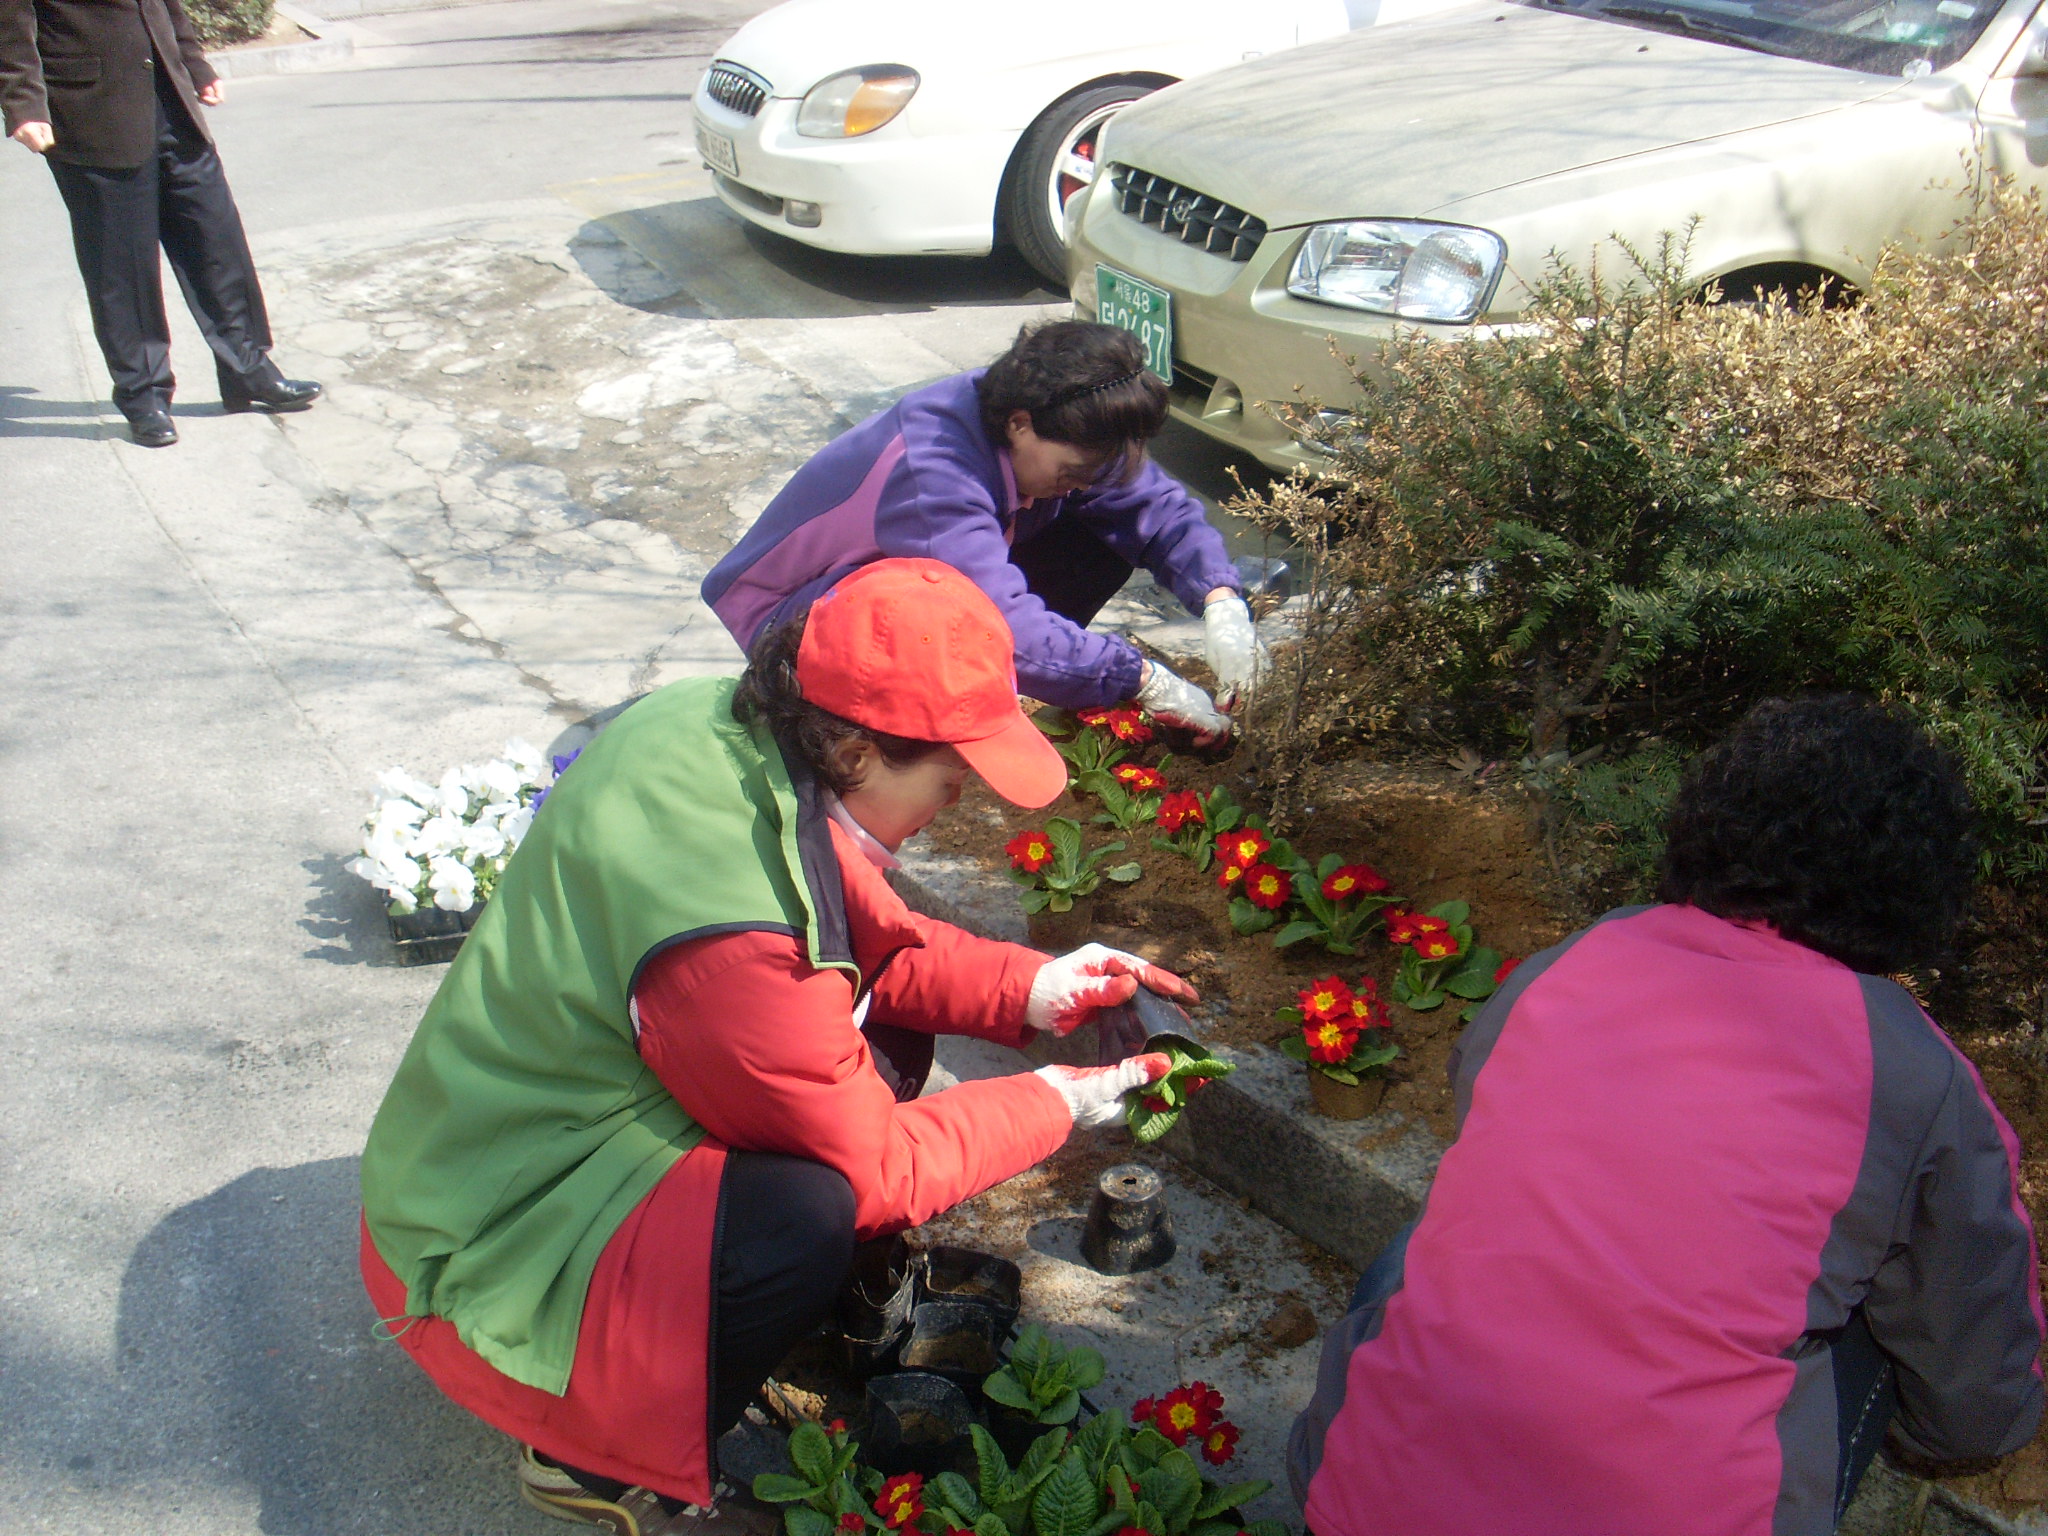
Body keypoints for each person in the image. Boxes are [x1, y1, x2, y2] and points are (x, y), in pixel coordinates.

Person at [358, 558, 1194, 1535]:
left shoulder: (724, 728)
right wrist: (1060, 1099)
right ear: (855, 751)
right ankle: (590, 1452)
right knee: (802, 1213)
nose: (956, 800)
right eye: (949, 775)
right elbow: (874, 1165)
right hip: (489, 1233)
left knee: (874, 1046)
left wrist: (1030, 990)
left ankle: (737, 1321)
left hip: (508, 1116)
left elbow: (858, 936)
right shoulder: (735, 934)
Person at [1290, 695, 2043, 1536]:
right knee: (1887, 1318)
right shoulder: (1911, 1068)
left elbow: (1476, 1101)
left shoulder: (1586, 952)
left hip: (1362, 1497)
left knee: (1428, 1245)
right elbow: (1978, 1376)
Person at [702, 320, 1264, 741]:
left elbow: (1152, 507)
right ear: (1019, 425)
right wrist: (1141, 679)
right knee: (954, 622)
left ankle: (1003, 685)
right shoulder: (933, 472)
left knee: (1101, 530)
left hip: (910, 577)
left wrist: (1221, 602)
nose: (1077, 484)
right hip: (796, 622)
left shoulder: (1047, 415)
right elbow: (1002, 624)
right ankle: (887, 724)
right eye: (1069, 472)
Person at [0, 0, 321, 447]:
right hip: (91, 109)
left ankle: (248, 369)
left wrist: (193, 63)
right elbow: (9, 22)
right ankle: (143, 396)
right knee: (121, 264)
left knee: (216, 241)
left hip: (171, 101)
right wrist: (22, 103)